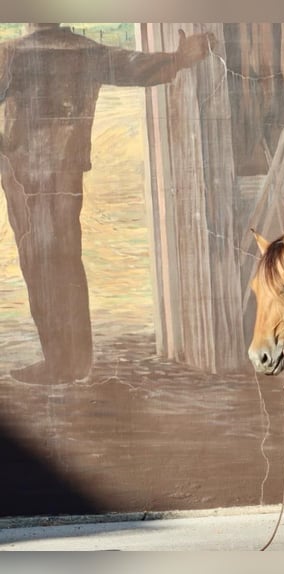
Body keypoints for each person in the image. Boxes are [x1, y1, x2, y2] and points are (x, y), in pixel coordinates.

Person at [0, 24, 217, 384]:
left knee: (39, 266)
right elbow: (135, 67)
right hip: (66, 171)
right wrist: (180, 58)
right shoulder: (85, 52)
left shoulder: (10, 55)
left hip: (23, 177)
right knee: (67, 261)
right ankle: (75, 362)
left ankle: (59, 362)